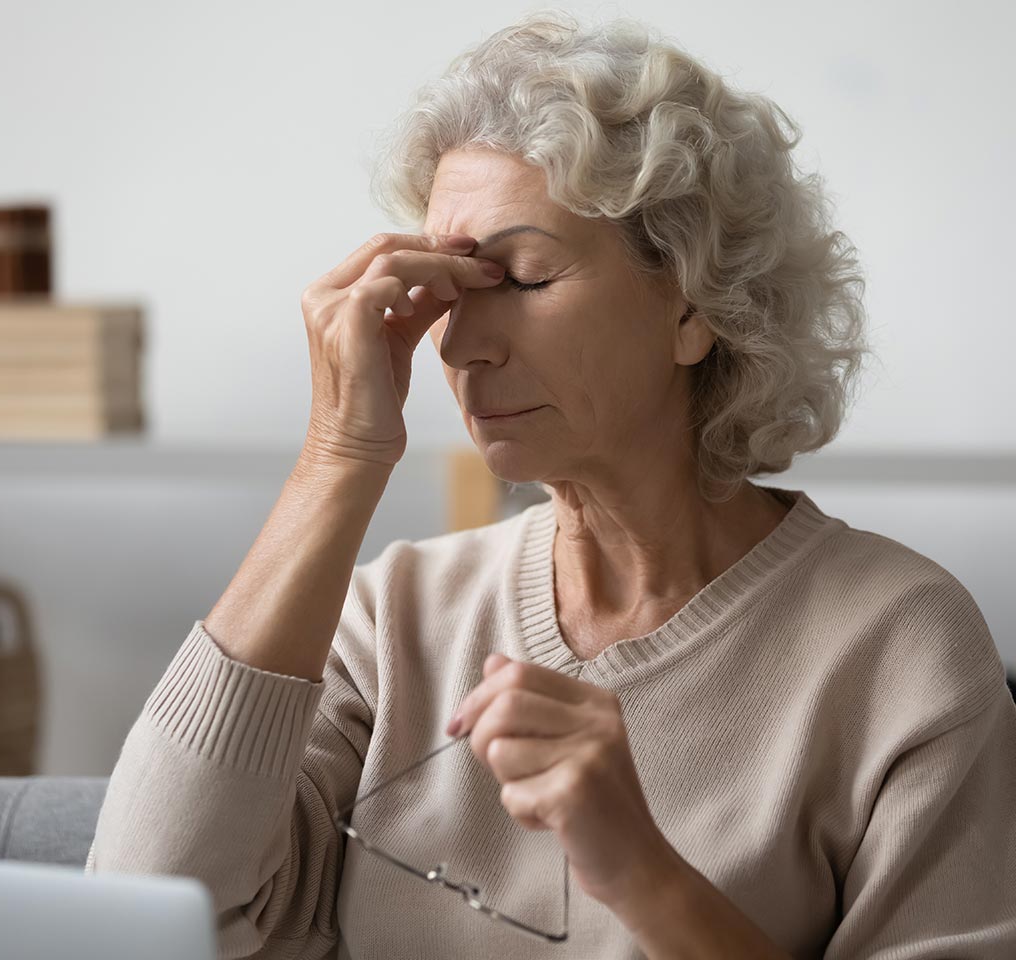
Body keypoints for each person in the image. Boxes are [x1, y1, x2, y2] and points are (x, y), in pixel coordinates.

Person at [86, 9, 1016, 958]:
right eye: (451, 289)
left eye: (523, 279)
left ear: (695, 306)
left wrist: (640, 873)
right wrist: (337, 456)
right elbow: (143, 919)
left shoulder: (901, 649)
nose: (458, 342)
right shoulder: (395, 617)